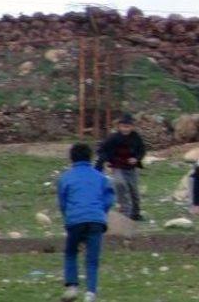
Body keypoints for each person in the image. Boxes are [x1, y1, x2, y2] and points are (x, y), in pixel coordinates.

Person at [58, 143, 114, 302]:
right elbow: (109, 198)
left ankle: (72, 286)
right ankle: (90, 293)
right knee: (92, 258)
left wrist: (68, 217)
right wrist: (101, 212)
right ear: (91, 158)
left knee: (71, 252)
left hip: (74, 220)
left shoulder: (66, 177)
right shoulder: (100, 177)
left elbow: (62, 203)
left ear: (71, 158)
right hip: (96, 220)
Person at [95, 114, 146, 221]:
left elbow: (142, 150)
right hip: (118, 166)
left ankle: (136, 213)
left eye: (128, 126)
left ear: (132, 127)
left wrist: (136, 158)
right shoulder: (113, 138)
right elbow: (102, 149)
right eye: (123, 126)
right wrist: (106, 161)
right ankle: (125, 212)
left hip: (131, 168)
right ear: (119, 127)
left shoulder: (136, 137)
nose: (125, 129)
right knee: (119, 184)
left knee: (134, 192)